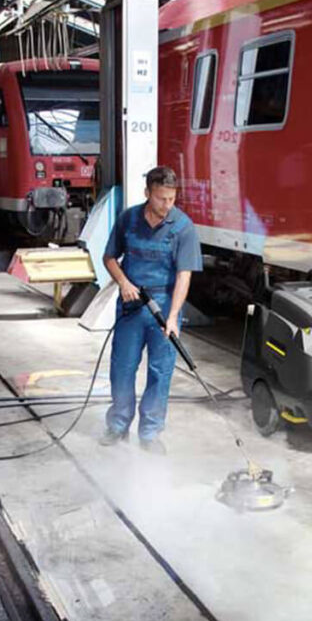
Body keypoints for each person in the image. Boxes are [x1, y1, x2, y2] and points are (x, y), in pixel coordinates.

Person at [99, 166, 203, 454]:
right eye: (160, 199)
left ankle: (150, 433)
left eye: (171, 199)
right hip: (132, 307)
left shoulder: (183, 227)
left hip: (165, 306)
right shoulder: (128, 220)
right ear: (147, 194)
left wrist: (173, 317)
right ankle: (118, 425)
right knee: (122, 368)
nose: (167, 205)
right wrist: (123, 282)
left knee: (160, 371)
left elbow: (184, 275)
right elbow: (109, 257)